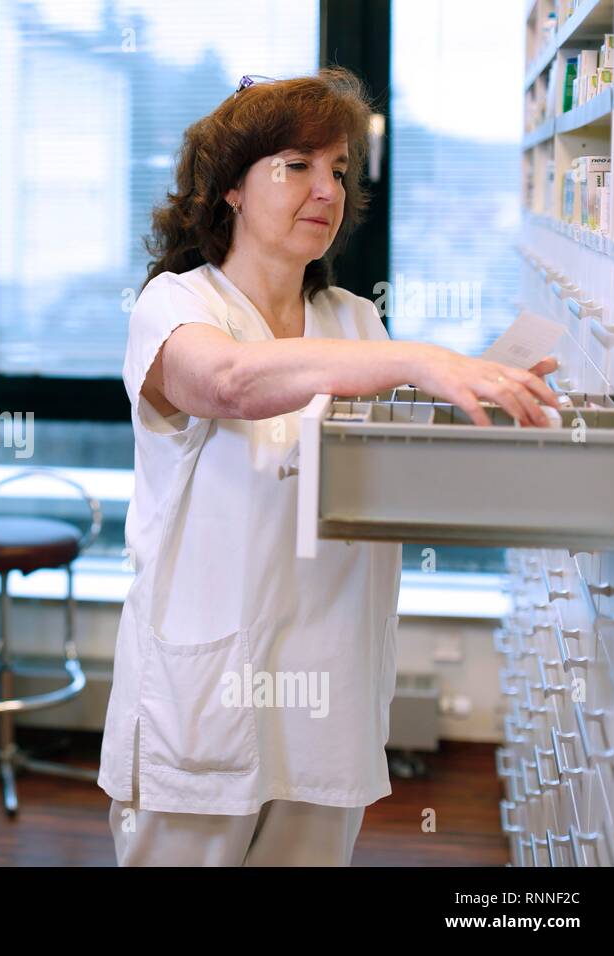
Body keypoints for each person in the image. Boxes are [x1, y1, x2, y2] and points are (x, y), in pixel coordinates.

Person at [98, 69, 560, 866]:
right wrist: (420, 359)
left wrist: (488, 407)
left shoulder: (353, 319)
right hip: (206, 701)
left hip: (325, 692)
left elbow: (386, 470)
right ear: (231, 190)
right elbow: (230, 382)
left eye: (340, 171)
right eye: (297, 165)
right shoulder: (177, 307)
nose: (327, 189)